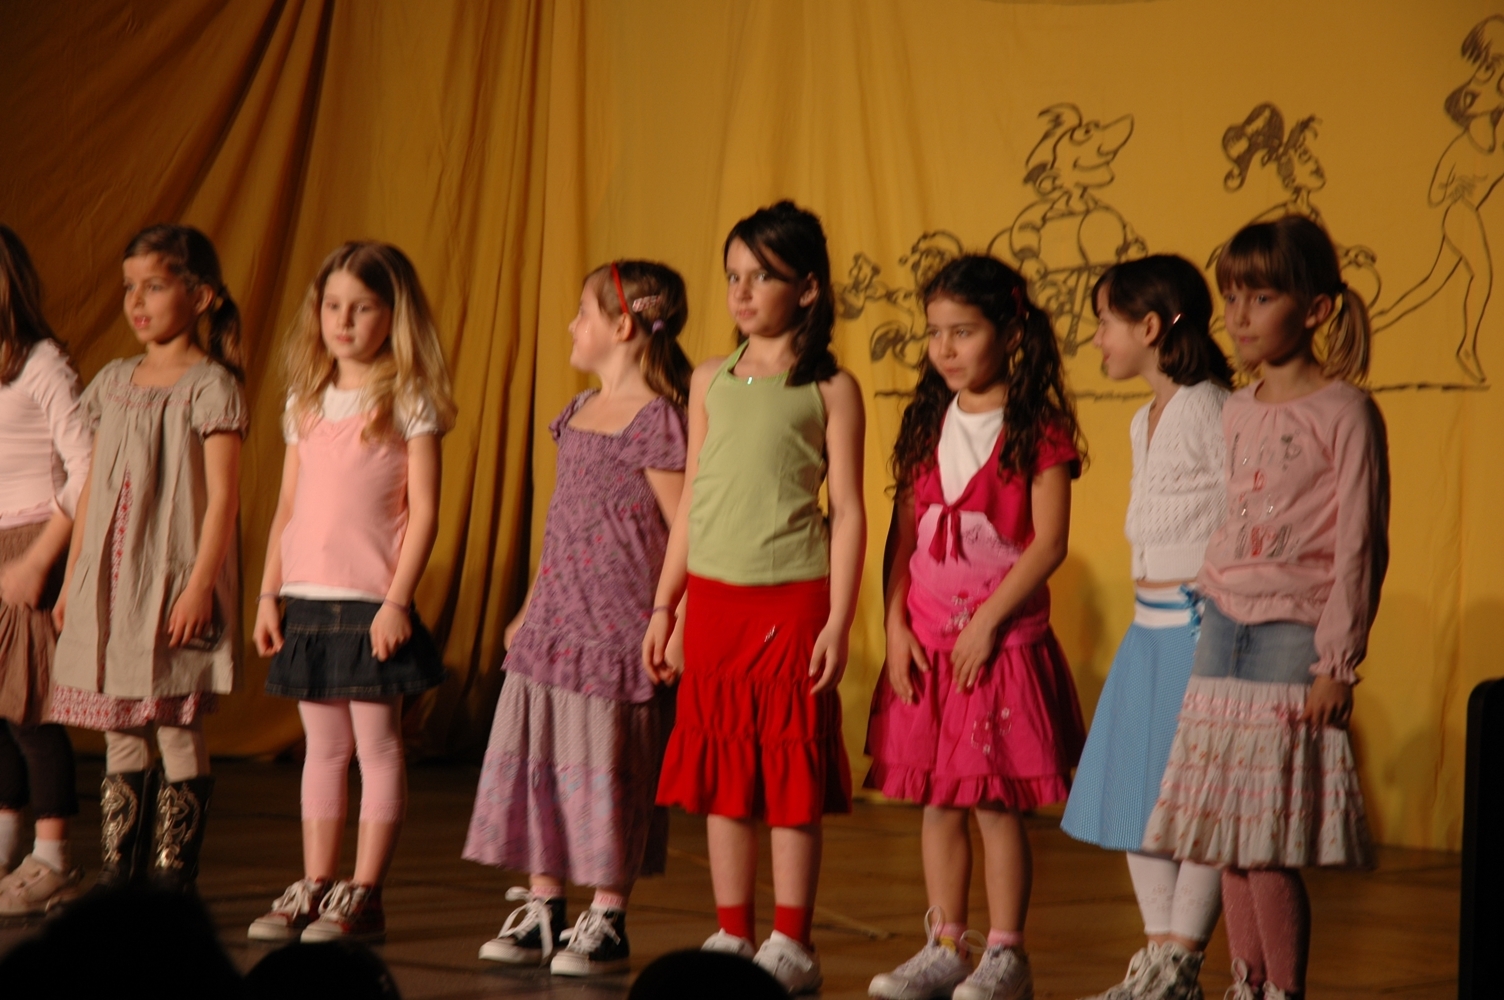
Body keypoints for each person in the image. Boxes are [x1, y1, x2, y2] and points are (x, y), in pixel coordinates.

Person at [1142, 216, 1389, 1000]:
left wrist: (1336, 662)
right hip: (1224, 624)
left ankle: (1283, 989)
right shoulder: (1238, 408)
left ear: (1315, 309)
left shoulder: (1345, 412)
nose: (1240, 316)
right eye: (1232, 298)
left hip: (1293, 632)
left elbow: (1359, 543)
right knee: (1225, 831)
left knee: (1266, 836)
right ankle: (1244, 984)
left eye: (1261, 297)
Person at [643, 201, 866, 994]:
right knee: (724, 773)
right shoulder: (709, 378)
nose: (740, 292)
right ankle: (733, 930)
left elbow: (849, 511)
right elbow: (693, 503)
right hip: (714, 603)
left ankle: (792, 942)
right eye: (732, 276)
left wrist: (839, 620)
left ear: (806, 288)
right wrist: (667, 606)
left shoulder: (830, 387)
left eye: (760, 277)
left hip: (791, 603)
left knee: (788, 776)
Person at [864, 254, 1086, 1000]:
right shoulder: (928, 420)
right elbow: (904, 535)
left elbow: (1049, 543)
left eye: (963, 331)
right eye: (935, 332)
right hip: (928, 641)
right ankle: (945, 944)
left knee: (993, 803)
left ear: (1011, 332)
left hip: (995, 646)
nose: (946, 348)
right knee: (938, 801)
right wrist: (894, 625)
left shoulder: (1038, 429)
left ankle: (1006, 954)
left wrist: (989, 622)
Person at [464, 260, 691, 975]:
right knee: (543, 767)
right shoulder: (578, 410)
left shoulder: (658, 420)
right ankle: (544, 907)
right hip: (555, 626)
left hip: (616, 632)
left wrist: (676, 617)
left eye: (583, 313)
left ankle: (607, 915)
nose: (571, 325)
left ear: (622, 326)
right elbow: (562, 524)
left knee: (604, 772)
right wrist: (531, 606)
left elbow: (686, 528)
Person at [249, 242, 455, 943]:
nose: (343, 321)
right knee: (323, 748)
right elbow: (288, 505)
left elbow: (424, 511)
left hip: (371, 603)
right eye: (332, 306)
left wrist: (397, 601)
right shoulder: (304, 400)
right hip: (306, 599)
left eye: (362, 308)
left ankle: (364, 893)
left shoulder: (408, 399)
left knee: (378, 745)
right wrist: (268, 594)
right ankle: (316, 884)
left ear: (393, 315)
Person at [51, 224, 247, 894]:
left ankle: (171, 879)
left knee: (174, 725)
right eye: (129, 287)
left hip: (168, 584)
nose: (136, 301)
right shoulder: (112, 381)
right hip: (111, 585)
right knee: (121, 730)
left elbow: (222, 500)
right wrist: (74, 580)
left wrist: (199, 587)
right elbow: (91, 491)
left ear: (200, 296)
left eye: (154, 286)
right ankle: (120, 878)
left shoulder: (210, 386)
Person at [1061, 255, 1234, 1000]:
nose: (1097, 339)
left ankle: (1183, 959)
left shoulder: (1210, 406)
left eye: (1106, 323)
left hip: (1198, 634)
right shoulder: (1144, 418)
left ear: (1152, 327)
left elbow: (1245, 509)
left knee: (1198, 803)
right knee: (1136, 795)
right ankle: (1159, 951)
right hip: (1147, 633)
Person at [0, 226, 92, 915]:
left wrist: (37, 559)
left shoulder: (41, 365)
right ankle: (6, 845)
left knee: (30, 710)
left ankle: (53, 858)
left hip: (30, 542)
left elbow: (89, 469)